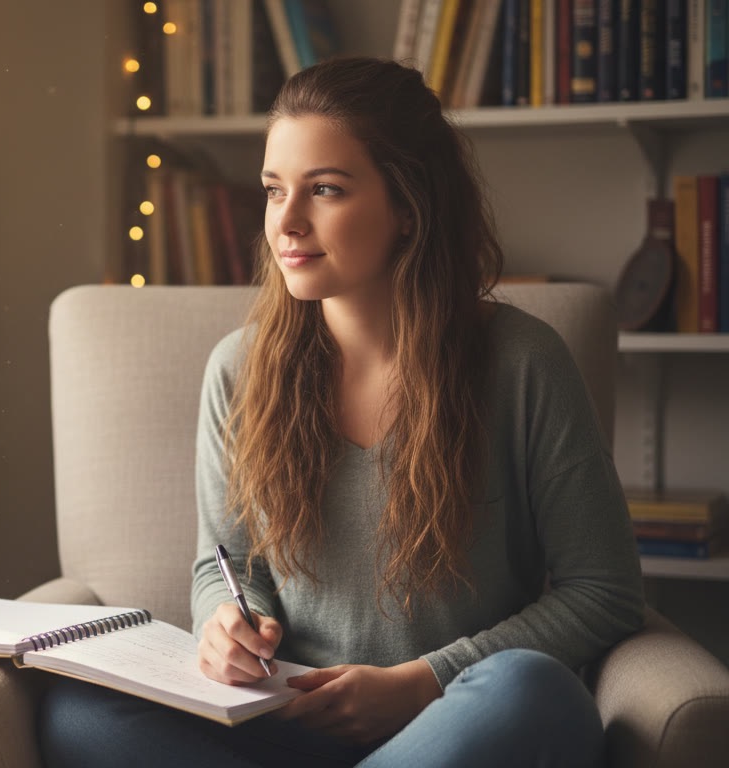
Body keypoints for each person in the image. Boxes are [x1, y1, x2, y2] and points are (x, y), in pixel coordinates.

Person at [37, 56, 645, 767]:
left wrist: (423, 683)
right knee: (78, 708)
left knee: (534, 694)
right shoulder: (238, 368)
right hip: (282, 721)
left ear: (410, 206)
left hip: (454, 720)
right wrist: (228, 621)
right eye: (273, 191)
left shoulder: (522, 362)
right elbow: (224, 563)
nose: (286, 222)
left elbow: (604, 592)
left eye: (324, 189)